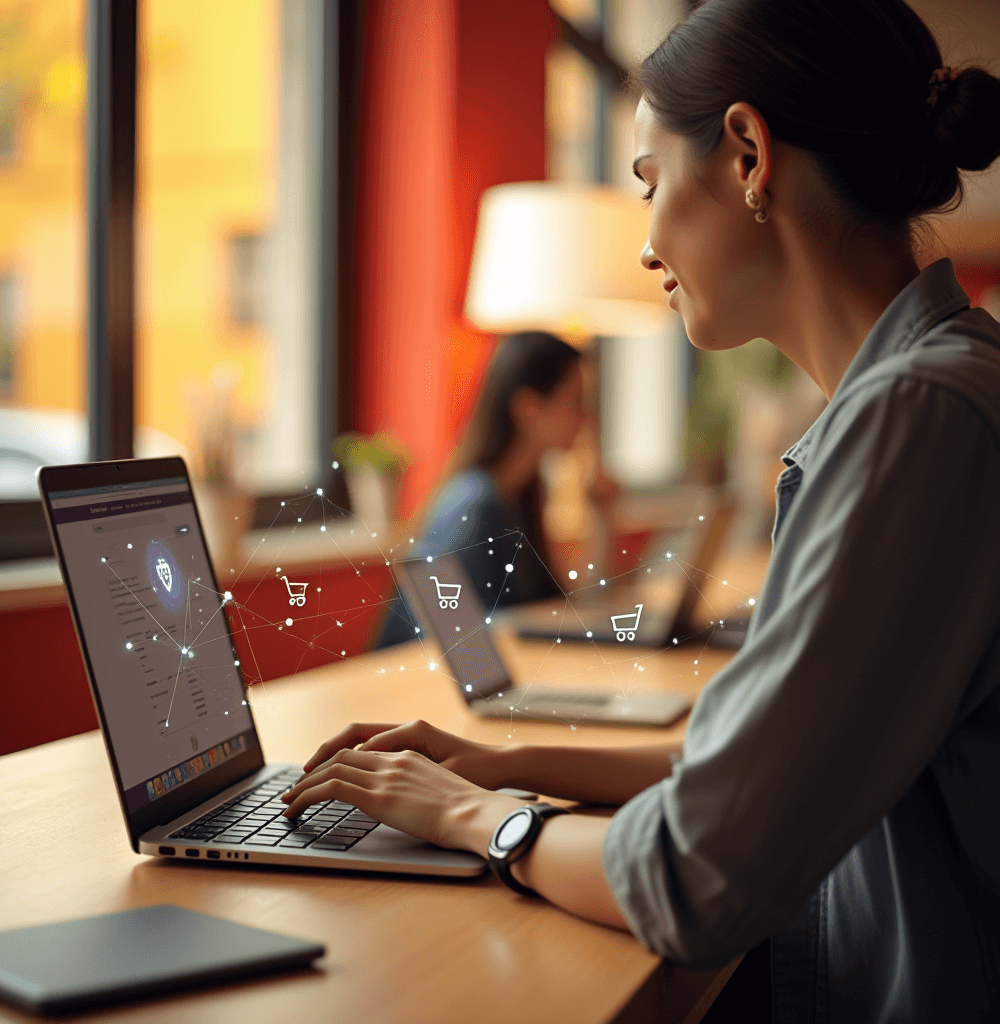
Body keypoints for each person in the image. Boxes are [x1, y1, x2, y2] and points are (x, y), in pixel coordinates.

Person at [282, 1, 1000, 1018]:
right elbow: (761, 753)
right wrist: (506, 759)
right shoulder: (915, 400)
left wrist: (483, 819)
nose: (647, 246)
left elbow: (693, 876)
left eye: (651, 183)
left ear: (749, 155)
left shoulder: (921, 419)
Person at [377, 331, 585, 646]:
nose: (585, 418)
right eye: (576, 402)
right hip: (417, 684)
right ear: (529, 409)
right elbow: (465, 639)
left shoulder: (516, 499)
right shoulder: (475, 503)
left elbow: (556, 607)